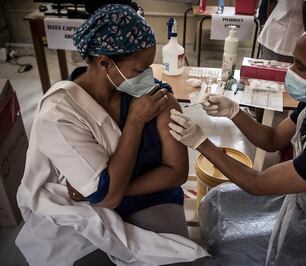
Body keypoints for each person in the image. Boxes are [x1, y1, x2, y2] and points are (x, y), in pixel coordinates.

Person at [169, 24, 306, 265]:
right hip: (305, 199)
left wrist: (200, 142)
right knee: (218, 199)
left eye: (301, 67)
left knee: (233, 256)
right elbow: (272, 140)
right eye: (294, 61)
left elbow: (256, 183)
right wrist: (233, 111)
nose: (290, 72)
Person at [15, 4, 208, 265]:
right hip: (85, 208)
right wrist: (135, 122)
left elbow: (175, 172)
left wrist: (117, 188)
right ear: (105, 63)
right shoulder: (61, 112)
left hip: (147, 200)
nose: (149, 78)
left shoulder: (157, 98)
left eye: (150, 68)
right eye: (140, 70)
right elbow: (102, 195)